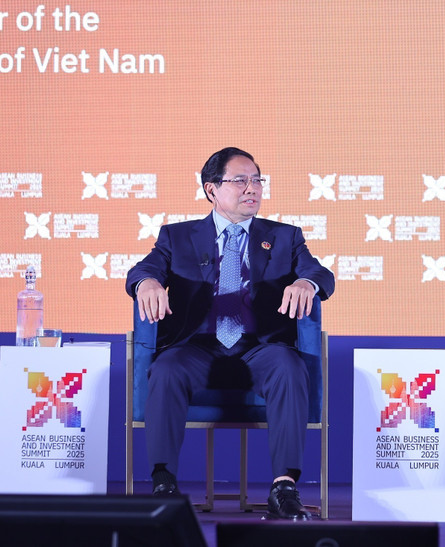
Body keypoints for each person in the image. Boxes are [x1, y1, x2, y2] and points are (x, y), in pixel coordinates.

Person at [126, 147, 335, 520]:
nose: (251, 188)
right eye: (240, 180)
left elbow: (322, 275)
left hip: (261, 350)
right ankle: (163, 481)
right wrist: (146, 284)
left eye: (257, 179)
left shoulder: (285, 237)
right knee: (166, 369)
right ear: (211, 189)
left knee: (290, 368)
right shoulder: (177, 237)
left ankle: (284, 487)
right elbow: (143, 269)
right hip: (198, 349)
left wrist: (305, 281)